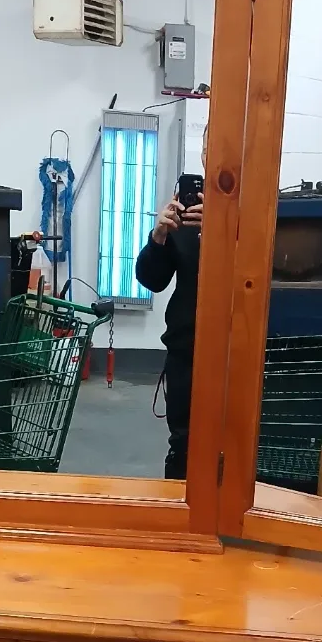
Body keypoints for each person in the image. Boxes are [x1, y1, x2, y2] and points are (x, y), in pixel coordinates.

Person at [134, 136, 206, 479]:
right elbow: (152, 279)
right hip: (186, 350)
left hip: (238, 353)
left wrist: (226, 231)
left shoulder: (255, 214)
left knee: (236, 443)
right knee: (184, 443)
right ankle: (182, 522)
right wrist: (159, 236)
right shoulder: (183, 218)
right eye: (209, 147)